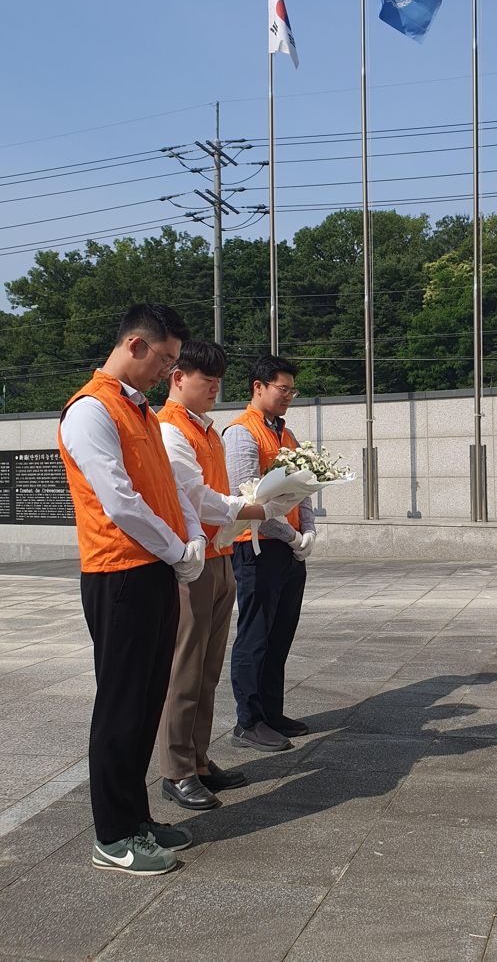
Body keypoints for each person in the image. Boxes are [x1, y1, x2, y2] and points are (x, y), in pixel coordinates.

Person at [58, 303, 206, 877]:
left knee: (146, 701)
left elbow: (166, 486)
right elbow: (118, 500)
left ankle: (136, 817)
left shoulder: (138, 409)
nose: (167, 372)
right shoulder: (91, 410)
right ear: (137, 346)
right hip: (118, 574)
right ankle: (112, 835)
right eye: (165, 359)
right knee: (120, 706)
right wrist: (177, 549)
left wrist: (190, 539)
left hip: (155, 570)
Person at [156, 340, 309, 811]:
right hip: (194, 560)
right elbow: (198, 495)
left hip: (219, 552)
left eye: (219, 382)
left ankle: (200, 760)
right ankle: (176, 770)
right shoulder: (171, 429)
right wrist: (255, 509)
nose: (214, 391)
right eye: (207, 381)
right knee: (184, 670)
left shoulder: (204, 429)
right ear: (178, 378)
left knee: (206, 671)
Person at [223, 354, 316, 751]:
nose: (288, 396)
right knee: (255, 635)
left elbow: (306, 486)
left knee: (280, 635)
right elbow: (246, 496)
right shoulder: (241, 433)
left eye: (292, 390)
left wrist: (307, 530)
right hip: (256, 547)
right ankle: (248, 720)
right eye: (282, 389)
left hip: (289, 549)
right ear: (258, 388)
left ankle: (272, 712)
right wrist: (291, 536)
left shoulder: (287, 434)